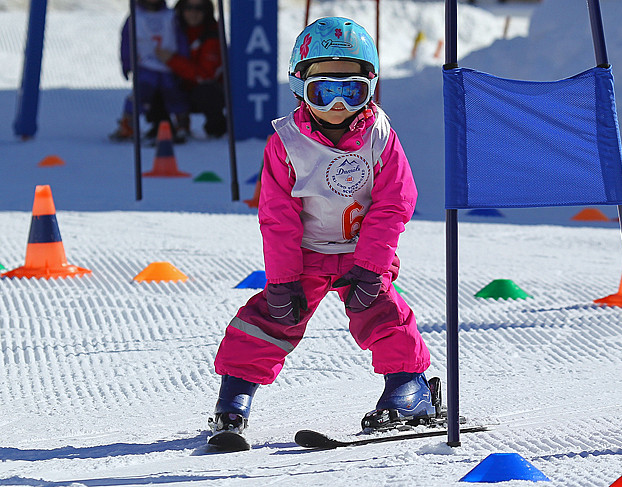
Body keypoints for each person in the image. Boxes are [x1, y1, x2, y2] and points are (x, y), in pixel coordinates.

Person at [209, 17, 434, 442]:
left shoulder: (380, 137)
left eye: (351, 91)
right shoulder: (287, 142)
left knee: (382, 312)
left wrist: (371, 266)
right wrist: (282, 281)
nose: (337, 104)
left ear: (370, 87)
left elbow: (394, 203)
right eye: (323, 90)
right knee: (270, 319)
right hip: (307, 252)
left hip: (359, 250)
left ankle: (409, 385)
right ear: (301, 88)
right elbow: (278, 217)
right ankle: (236, 393)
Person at [109, 0, 191, 144]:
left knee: (173, 91)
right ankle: (129, 122)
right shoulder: (135, 16)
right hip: (144, 64)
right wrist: (127, 63)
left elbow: (181, 38)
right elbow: (127, 41)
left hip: (168, 64)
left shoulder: (171, 16)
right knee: (142, 92)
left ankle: (181, 121)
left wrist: (182, 60)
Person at [152, 0, 227, 139]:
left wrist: (171, 60)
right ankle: (162, 128)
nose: (193, 13)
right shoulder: (171, 29)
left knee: (207, 90)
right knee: (153, 85)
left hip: (202, 91)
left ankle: (217, 128)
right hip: (177, 87)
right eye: (188, 8)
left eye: (199, 8)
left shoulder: (212, 35)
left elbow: (205, 75)